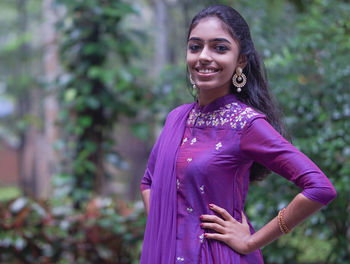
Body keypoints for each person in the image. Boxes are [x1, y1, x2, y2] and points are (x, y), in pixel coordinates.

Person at [140, 4, 336, 264]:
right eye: (195, 46)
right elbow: (149, 182)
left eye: (219, 48)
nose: (203, 57)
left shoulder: (245, 124)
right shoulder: (177, 118)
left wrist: (251, 241)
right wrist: (166, 230)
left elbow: (320, 188)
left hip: (215, 256)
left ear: (240, 60)